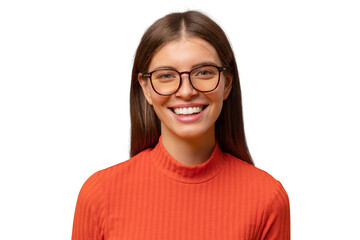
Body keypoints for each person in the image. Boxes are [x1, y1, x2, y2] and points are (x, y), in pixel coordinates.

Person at [72, 10, 290, 239]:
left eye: (204, 72)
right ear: (146, 88)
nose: (186, 91)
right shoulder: (100, 195)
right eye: (166, 76)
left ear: (227, 83)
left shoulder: (267, 197)